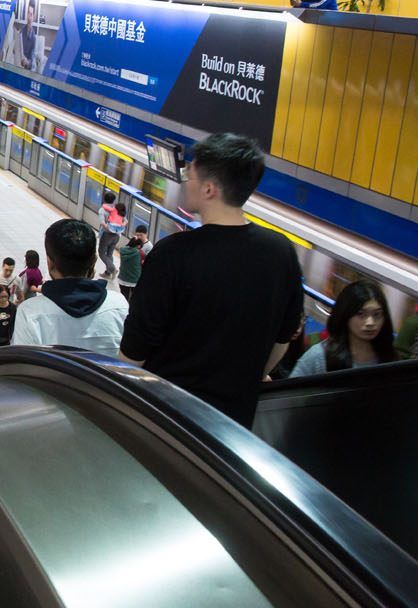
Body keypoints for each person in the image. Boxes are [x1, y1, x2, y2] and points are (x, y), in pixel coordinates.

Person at [118, 133, 304, 428]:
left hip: (166, 417)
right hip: (234, 423)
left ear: (208, 188)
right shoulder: (281, 251)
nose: (184, 181)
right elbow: (285, 335)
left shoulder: (173, 254)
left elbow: (135, 351)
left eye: (189, 174)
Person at [10, 219, 129, 357]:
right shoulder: (119, 305)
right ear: (94, 261)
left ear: (50, 263)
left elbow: (24, 368)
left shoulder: (29, 312)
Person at [290, 280, 397, 377]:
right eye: (361, 314)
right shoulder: (318, 357)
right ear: (346, 315)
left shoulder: (389, 359)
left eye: (377, 315)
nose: (370, 322)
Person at [97, 192, 125, 278]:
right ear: (114, 200)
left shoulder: (102, 210)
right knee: (109, 253)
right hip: (117, 235)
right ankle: (108, 273)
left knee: (101, 253)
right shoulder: (117, 208)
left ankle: (112, 269)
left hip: (107, 234)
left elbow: (102, 222)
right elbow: (124, 220)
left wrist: (108, 228)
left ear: (104, 199)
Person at [117, 233, 146, 300]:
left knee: (124, 297)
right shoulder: (140, 253)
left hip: (122, 278)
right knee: (133, 299)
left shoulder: (123, 250)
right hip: (134, 280)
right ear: (138, 246)